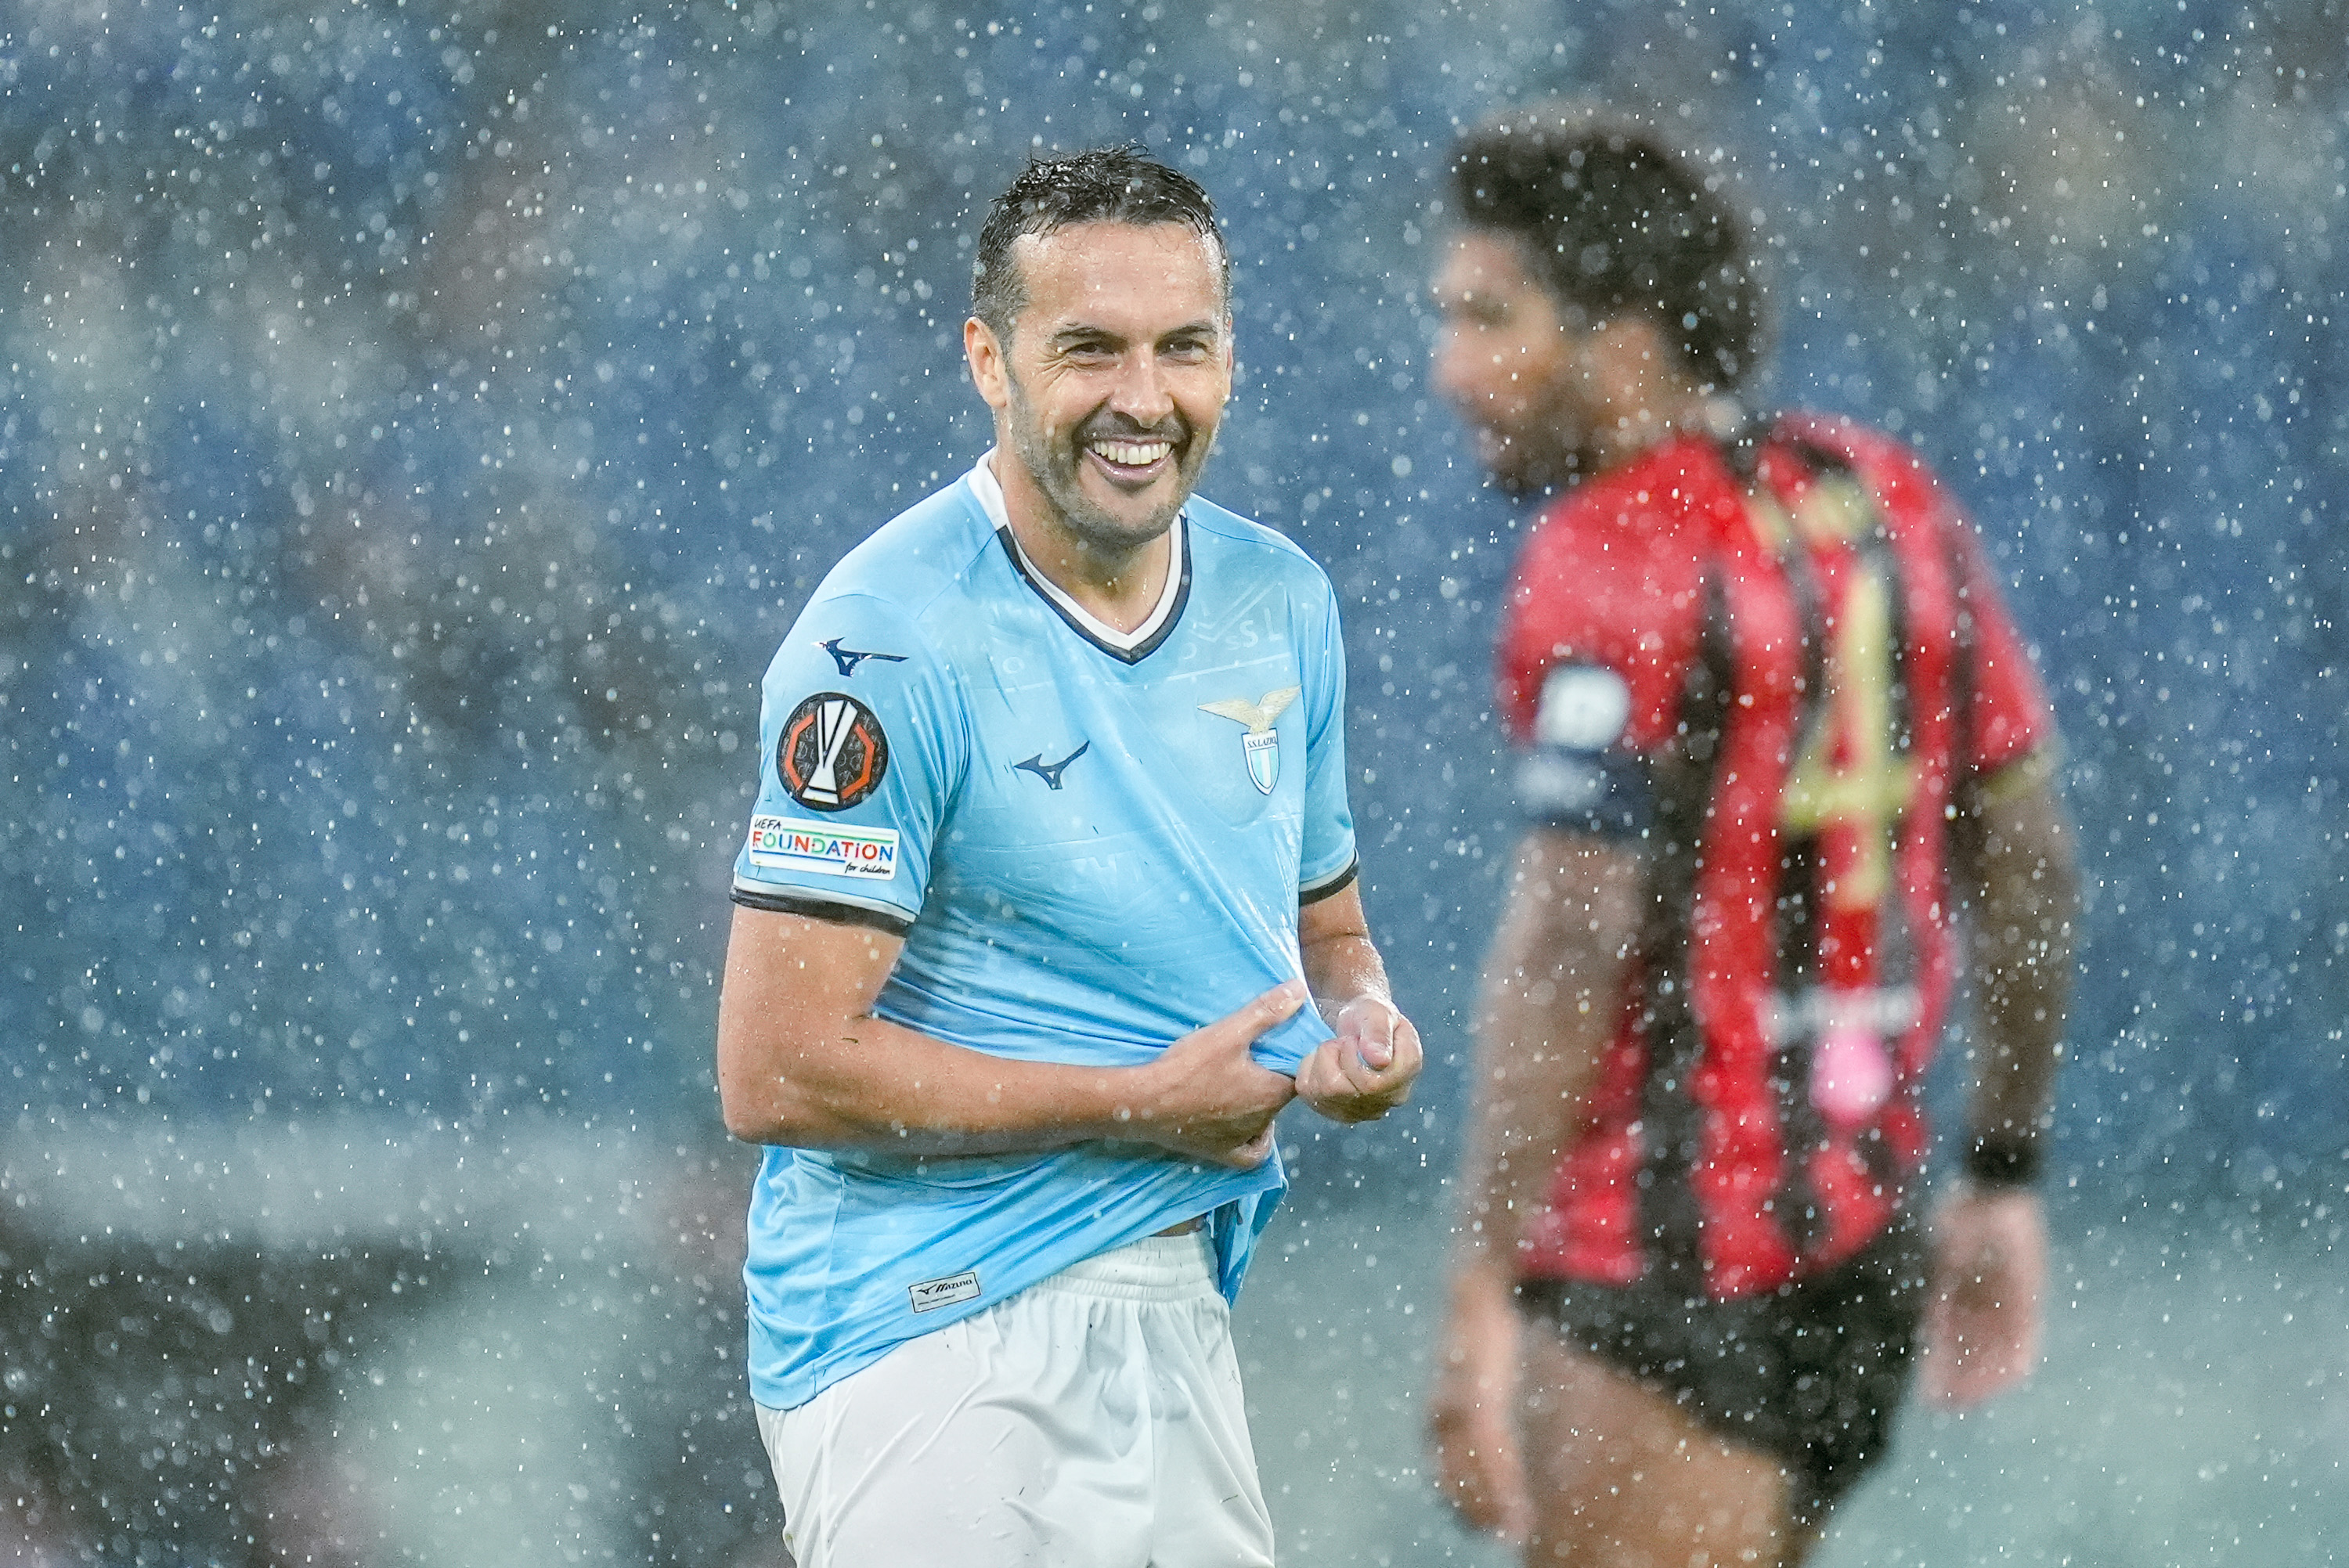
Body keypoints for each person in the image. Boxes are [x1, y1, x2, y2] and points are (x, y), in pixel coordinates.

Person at [713, 146, 1423, 1568]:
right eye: (1088, 348)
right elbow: (775, 1068)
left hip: (1178, 1292)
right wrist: (1140, 1102)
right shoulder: (884, 642)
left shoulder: (1282, 602)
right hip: (927, 1310)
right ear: (990, 357)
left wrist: (1359, 1028)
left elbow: (1327, 931)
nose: (1143, 399)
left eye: (1184, 349)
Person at [1421, 104, 2079, 1566]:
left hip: (1662, 1272)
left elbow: (1570, 939)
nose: (1452, 368)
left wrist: (1476, 1298)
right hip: (1863, 1246)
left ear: (1626, 337)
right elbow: (2030, 862)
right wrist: (2006, 1176)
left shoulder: (1609, 556)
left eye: (1488, 317)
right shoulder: (1883, 498)